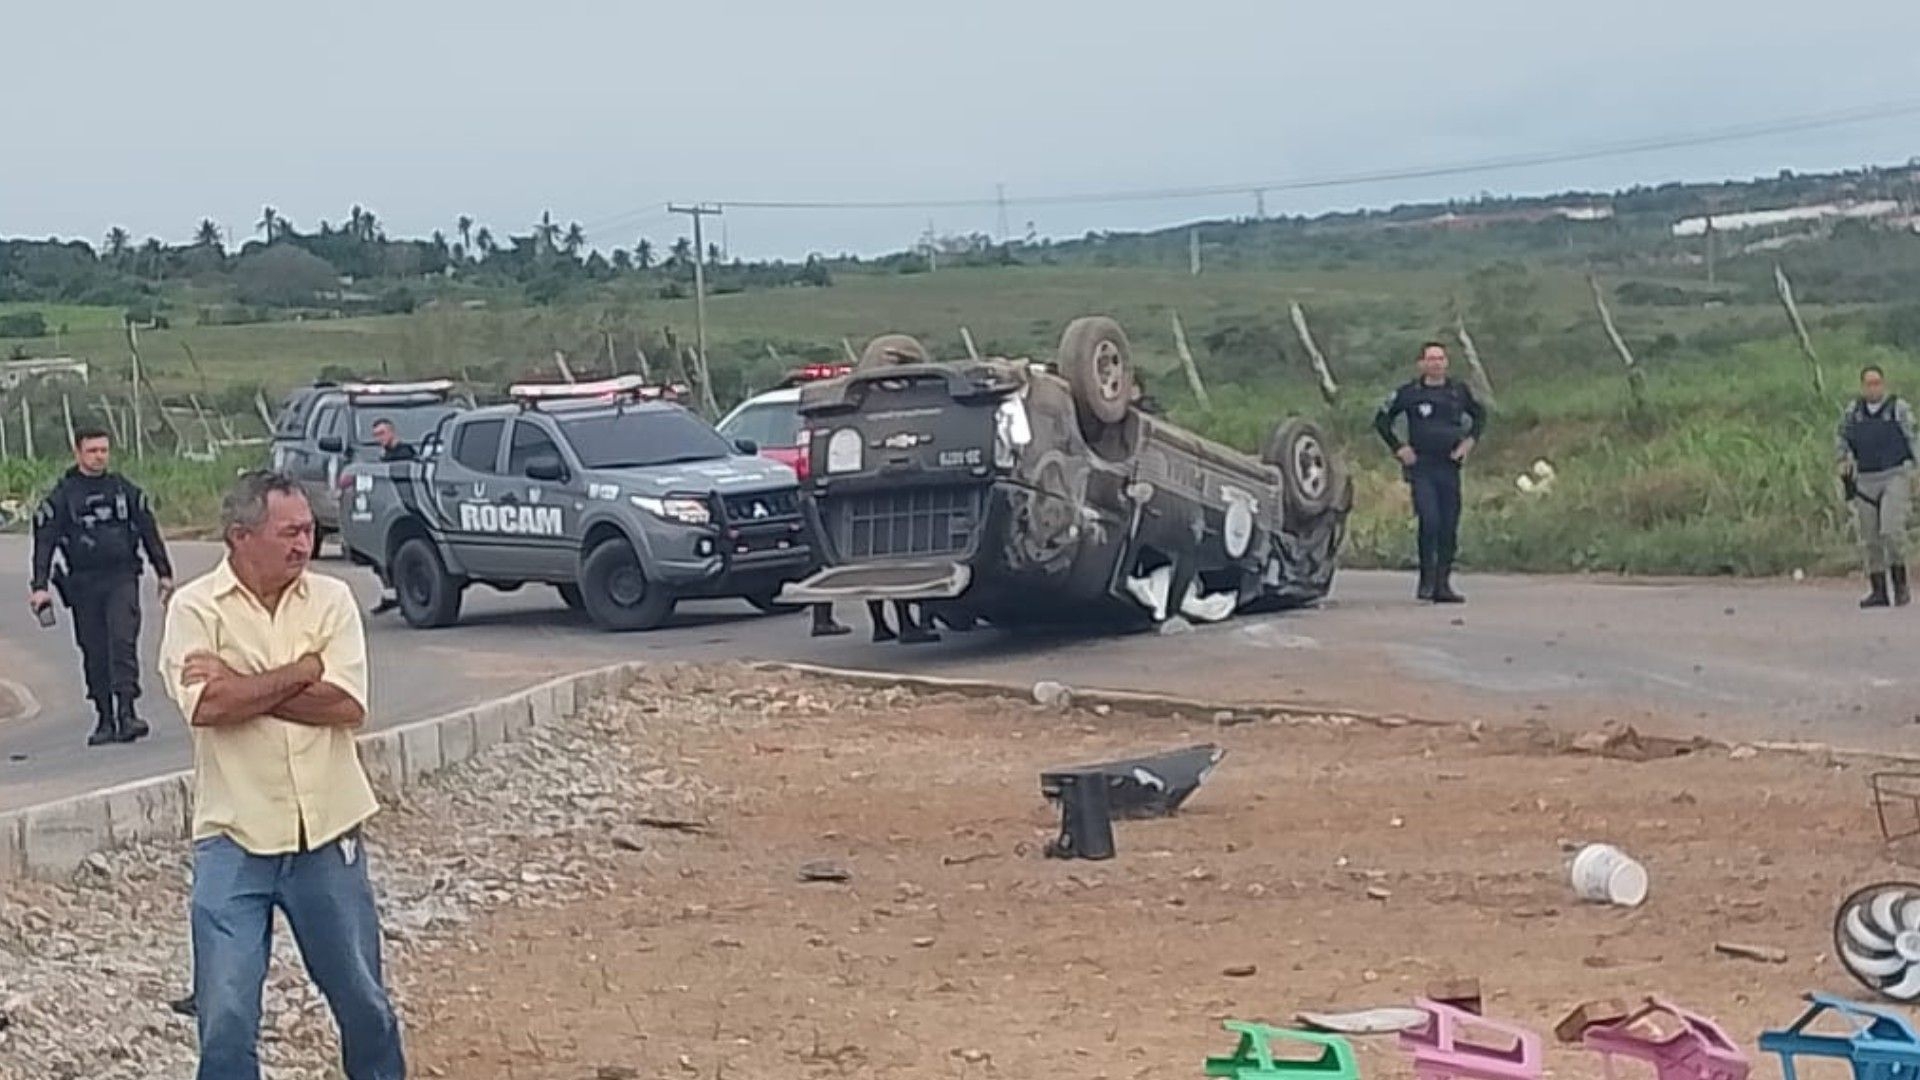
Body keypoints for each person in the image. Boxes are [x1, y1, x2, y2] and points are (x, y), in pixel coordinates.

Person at [158, 471, 406, 1080]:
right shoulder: (193, 609)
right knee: (225, 1018)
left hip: (327, 829)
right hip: (234, 836)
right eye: (290, 531)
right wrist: (301, 670)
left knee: (364, 1003)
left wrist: (242, 680)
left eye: (310, 530)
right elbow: (207, 709)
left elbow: (346, 707)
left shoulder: (331, 599)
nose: (305, 544)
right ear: (241, 536)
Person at [27, 427, 175, 746]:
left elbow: (149, 531)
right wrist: (39, 586)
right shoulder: (62, 497)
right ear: (77, 452)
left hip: (122, 577)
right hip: (83, 583)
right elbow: (45, 542)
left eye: (104, 450)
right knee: (94, 649)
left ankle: (127, 712)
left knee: (122, 641)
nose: (99, 457)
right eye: (92, 451)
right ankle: (105, 717)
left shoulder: (124, 491)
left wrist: (164, 572)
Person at [1375, 342, 1487, 604]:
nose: (1436, 363)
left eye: (1440, 358)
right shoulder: (1410, 392)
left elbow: (1480, 416)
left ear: (1446, 363)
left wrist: (1468, 443)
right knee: (1430, 520)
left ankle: (1443, 583)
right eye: (1430, 359)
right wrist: (1399, 447)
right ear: (1422, 364)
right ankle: (1426, 580)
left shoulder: (1458, 391)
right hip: (1422, 466)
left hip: (1449, 466)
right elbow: (1382, 420)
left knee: (1449, 525)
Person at [1837, 364, 1917, 608]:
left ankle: (1901, 586)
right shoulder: (1854, 412)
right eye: (1869, 383)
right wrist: (1842, 459)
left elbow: (1913, 439)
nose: (1873, 388)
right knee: (1870, 538)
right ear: (1862, 387)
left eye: (1877, 383)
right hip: (1865, 479)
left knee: (1891, 532)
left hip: (1894, 475)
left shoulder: (1898, 410)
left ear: (1884, 384)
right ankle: (1878, 590)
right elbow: (1842, 437)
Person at [366, 419, 415, 615]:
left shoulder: (405, 454)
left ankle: (402, 598)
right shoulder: (385, 457)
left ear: (392, 433)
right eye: (376, 435)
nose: (379, 438)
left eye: (382, 433)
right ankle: (391, 595)